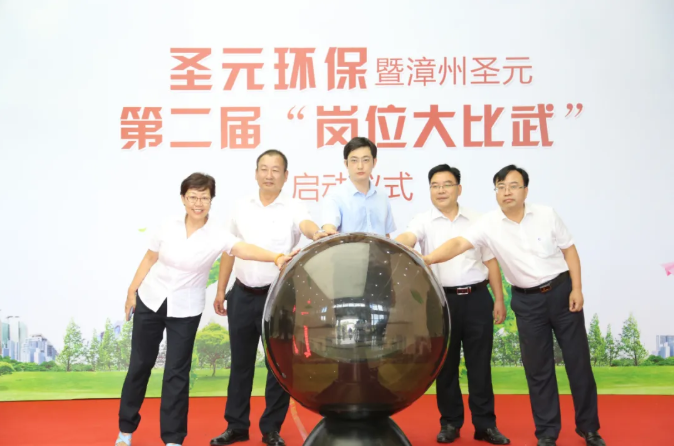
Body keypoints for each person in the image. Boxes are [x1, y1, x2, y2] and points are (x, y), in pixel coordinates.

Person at [421, 165, 605, 446]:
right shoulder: (487, 224)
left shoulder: (546, 214)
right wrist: (429, 259)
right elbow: (458, 243)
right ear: (495, 192)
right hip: (527, 302)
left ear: (525, 191)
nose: (507, 192)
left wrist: (577, 288)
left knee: (578, 364)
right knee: (538, 370)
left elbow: (569, 250)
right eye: (501, 187)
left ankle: (589, 429)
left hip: (561, 293)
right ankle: (547, 433)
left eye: (513, 186)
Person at [115, 173, 296, 446]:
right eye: (192, 197)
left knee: (176, 374)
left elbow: (243, 249)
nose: (197, 203)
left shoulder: (217, 234)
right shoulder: (167, 225)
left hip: (185, 310)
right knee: (140, 366)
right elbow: (150, 257)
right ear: (183, 198)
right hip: (151, 301)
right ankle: (125, 432)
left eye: (204, 198)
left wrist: (276, 257)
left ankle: (173, 439)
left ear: (211, 200)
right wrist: (132, 291)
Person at [210, 150, 330, 446]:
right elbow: (229, 250)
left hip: (278, 297)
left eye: (275, 170)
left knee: (278, 366)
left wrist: (316, 233)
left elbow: (306, 224)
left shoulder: (293, 205)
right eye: (263, 169)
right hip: (242, 294)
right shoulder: (241, 206)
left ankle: (271, 429)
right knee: (240, 364)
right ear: (256, 173)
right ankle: (236, 426)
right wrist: (221, 289)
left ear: (285, 176)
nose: (269, 175)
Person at [395, 164, 510, 445]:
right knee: (445, 367)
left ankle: (485, 425)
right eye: (435, 185)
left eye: (447, 185)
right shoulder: (423, 220)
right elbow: (408, 238)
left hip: (477, 298)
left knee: (479, 365)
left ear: (459, 189)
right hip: (439, 302)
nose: (441, 190)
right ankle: (450, 423)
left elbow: (490, 262)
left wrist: (499, 299)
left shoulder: (478, 220)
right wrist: (398, 243)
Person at [321, 136, 396, 237]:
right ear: (346, 164)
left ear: (374, 162)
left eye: (365, 160)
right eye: (354, 160)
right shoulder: (335, 197)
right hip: (348, 248)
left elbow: (386, 236)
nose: (360, 166)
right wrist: (328, 230)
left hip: (378, 248)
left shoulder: (382, 196)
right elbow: (328, 227)